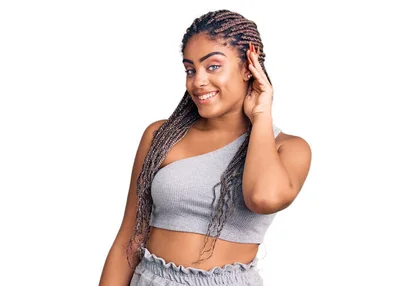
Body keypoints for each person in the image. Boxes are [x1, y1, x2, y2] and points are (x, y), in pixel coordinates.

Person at [99, 9, 312, 286]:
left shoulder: (289, 148)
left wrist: (261, 116)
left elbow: (263, 198)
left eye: (212, 66)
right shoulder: (161, 136)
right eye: (190, 69)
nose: (198, 81)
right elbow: (129, 239)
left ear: (249, 66)